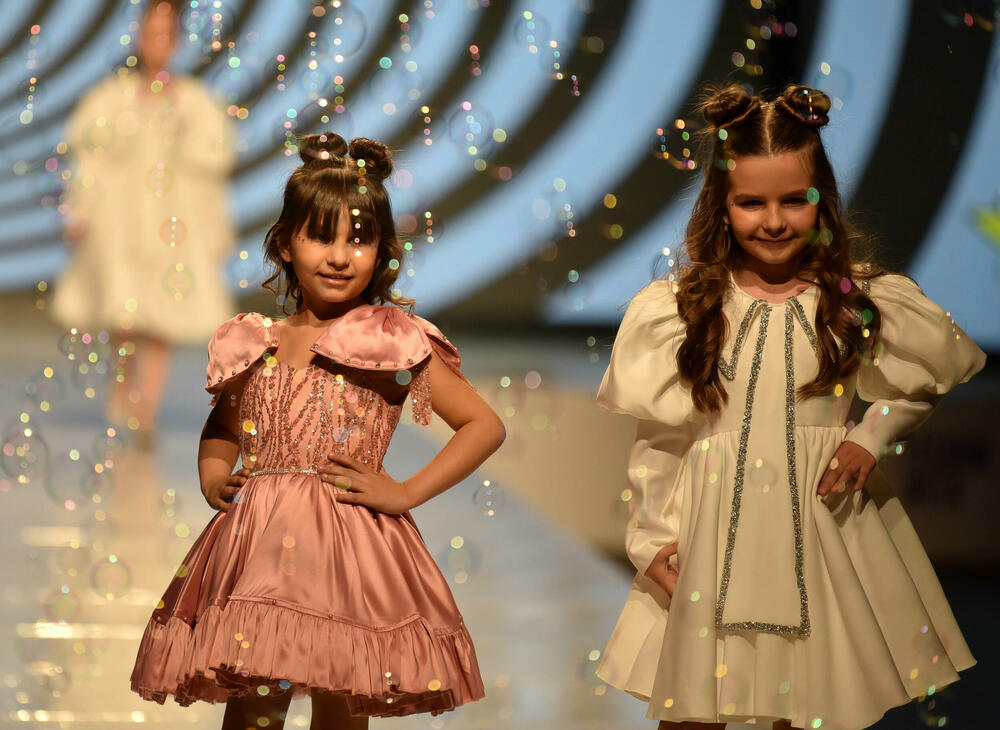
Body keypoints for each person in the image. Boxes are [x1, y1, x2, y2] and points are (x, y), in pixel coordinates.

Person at [595, 84, 984, 730]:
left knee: (809, 702)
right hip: (711, 534)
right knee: (694, 706)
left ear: (821, 201)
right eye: (751, 203)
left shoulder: (855, 300)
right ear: (722, 206)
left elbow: (921, 380)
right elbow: (661, 437)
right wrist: (652, 538)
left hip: (820, 526)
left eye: (793, 200)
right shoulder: (685, 309)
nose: (773, 221)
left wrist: (870, 435)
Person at [129, 133, 505, 728]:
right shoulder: (255, 341)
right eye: (320, 236)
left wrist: (405, 491)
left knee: (340, 690)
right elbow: (223, 423)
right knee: (253, 695)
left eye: (358, 240)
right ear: (285, 243)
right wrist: (214, 475)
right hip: (257, 543)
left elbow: (483, 425)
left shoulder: (390, 338)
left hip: (347, 545)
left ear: (383, 252)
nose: (338, 256)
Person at [53, 0, 235, 445]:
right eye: (150, 32)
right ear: (138, 36)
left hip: (173, 217)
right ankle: (124, 386)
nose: (157, 42)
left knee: (163, 312)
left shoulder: (195, 101)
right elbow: (90, 158)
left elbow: (210, 170)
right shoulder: (111, 98)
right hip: (120, 218)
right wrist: (79, 210)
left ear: (177, 40)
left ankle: (146, 407)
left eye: (165, 33)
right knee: (124, 312)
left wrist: (216, 229)